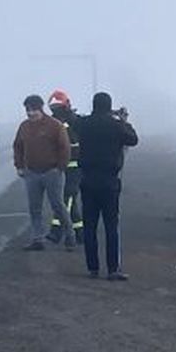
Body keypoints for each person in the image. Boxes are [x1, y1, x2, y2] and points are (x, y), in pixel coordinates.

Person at [75, 92, 138, 280]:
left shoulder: (84, 124)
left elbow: (76, 122)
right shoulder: (116, 126)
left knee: (90, 226)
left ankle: (92, 268)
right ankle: (113, 269)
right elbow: (133, 139)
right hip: (109, 180)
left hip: (87, 179)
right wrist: (123, 119)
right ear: (109, 106)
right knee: (111, 226)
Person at [13, 94, 74, 251]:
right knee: (34, 208)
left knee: (58, 205)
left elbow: (65, 148)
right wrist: (19, 166)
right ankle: (37, 239)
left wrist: (59, 168)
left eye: (33, 110)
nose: (30, 113)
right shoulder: (24, 127)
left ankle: (70, 235)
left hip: (52, 172)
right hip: (31, 173)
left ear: (40, 109)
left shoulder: (55, 126)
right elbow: (18, 147)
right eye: (28, 110)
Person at [46, 89, 84, 245]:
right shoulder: (55, 123)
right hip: (60, 167)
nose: (56, 112)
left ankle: (57, 231)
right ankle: (80, 233)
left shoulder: (73, 121)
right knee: (71, 200)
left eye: (58, 108)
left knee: (65, 199)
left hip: (73, 167)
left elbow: (74, 143)